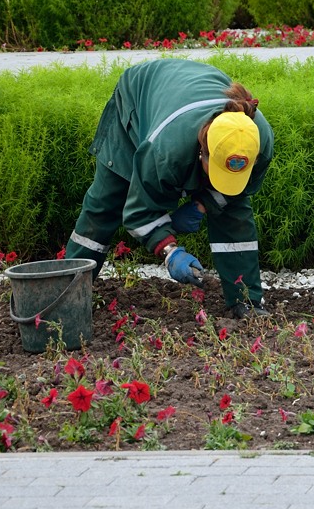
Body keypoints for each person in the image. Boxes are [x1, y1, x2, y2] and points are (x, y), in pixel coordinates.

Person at [64, 58, 274, 319]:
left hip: (185, 91)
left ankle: (246, 302)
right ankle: (67, 292)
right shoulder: (164, 150)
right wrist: (170, 251)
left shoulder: (259, 139)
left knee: (234, 214)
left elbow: (236, 193)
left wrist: (201, 205)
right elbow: (139, 213)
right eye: (216, 171)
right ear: (202, 153)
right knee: (108, 202)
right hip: (140, 95)